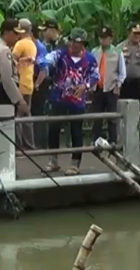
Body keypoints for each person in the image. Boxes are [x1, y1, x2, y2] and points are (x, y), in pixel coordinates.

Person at [37, 28, 99, 175]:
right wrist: (43, 66)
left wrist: (86, 85)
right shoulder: (60, 54)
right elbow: (44, 60)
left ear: (83, 44)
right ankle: (53, 161)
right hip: (58, 98)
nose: (72, 45)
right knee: (53, 129)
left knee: (76, 131)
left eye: (76, 42)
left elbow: (96, 76)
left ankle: (75, 164)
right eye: (70, 41)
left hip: (77, 101)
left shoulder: (90, 59)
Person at [32, 19, 63, 148]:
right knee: (42, 112)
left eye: (45, 31)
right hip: (47, 83)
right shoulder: (46, 45)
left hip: (59, 83)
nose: (43, 33)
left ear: (52, 30)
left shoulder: (62, 45)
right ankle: (43, 143)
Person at [91, 26, 125, 143]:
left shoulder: (117, 52)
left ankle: (113, 140)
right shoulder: (95, 51)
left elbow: (122, 72)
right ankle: (96, 139)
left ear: (111, 39)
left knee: (112, 117)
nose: (103, 40)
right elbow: (90, 69)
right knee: (97, 116)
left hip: (111, 88)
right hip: (97, 88)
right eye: (101, 38)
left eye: (105, 38)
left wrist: (118, 85)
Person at [11, 18, 40, 147]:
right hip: (29, 84)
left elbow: (11, 60)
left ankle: (18, 147)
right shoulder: (32, 44)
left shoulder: (20, 44)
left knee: (17, 117)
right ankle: (30, 145)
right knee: (27, 116)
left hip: (20, 83)